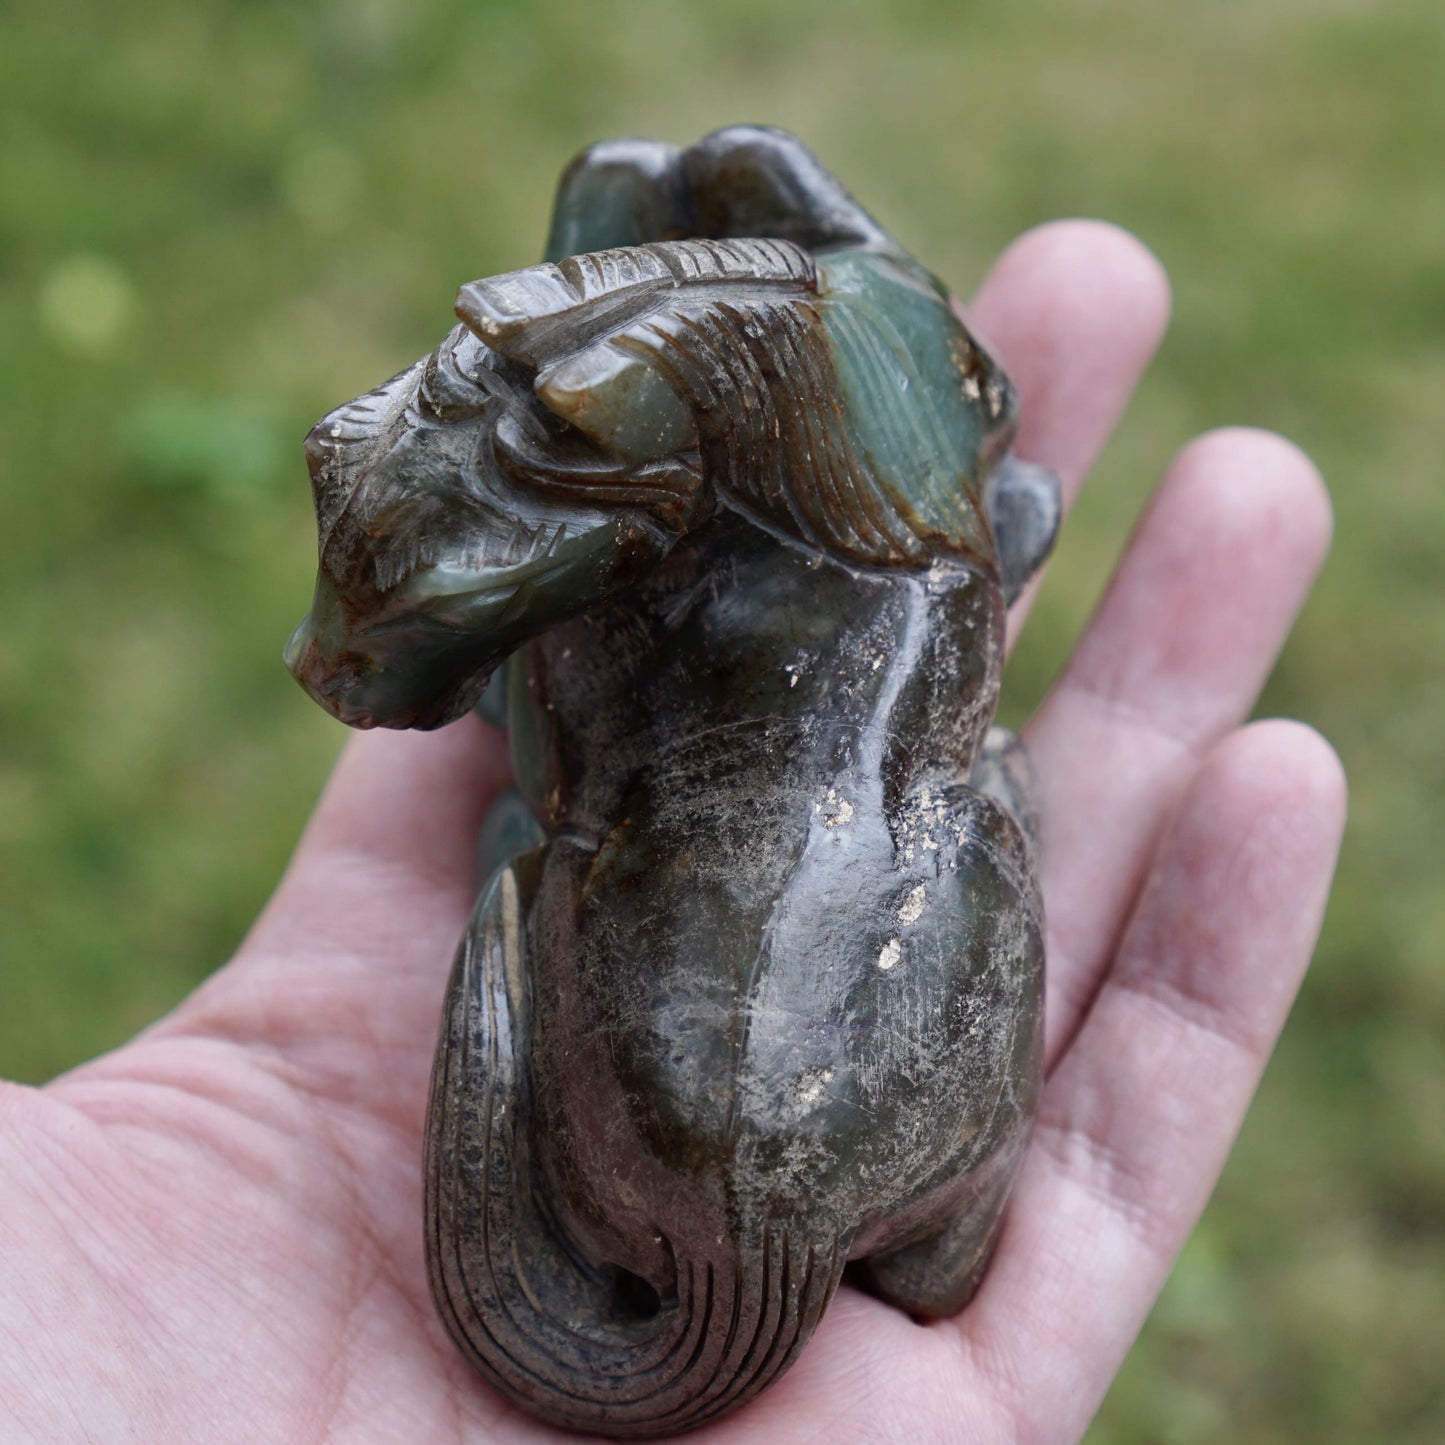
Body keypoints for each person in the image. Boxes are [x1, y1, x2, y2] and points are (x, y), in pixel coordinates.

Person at [0, 220, 1344, 1443]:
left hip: (627, 1161)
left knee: (599, 856)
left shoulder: (632, 572)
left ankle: (647, 1156)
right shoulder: (902, 565)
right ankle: (933, 1228)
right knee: (943, 825)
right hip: (868, 1140)